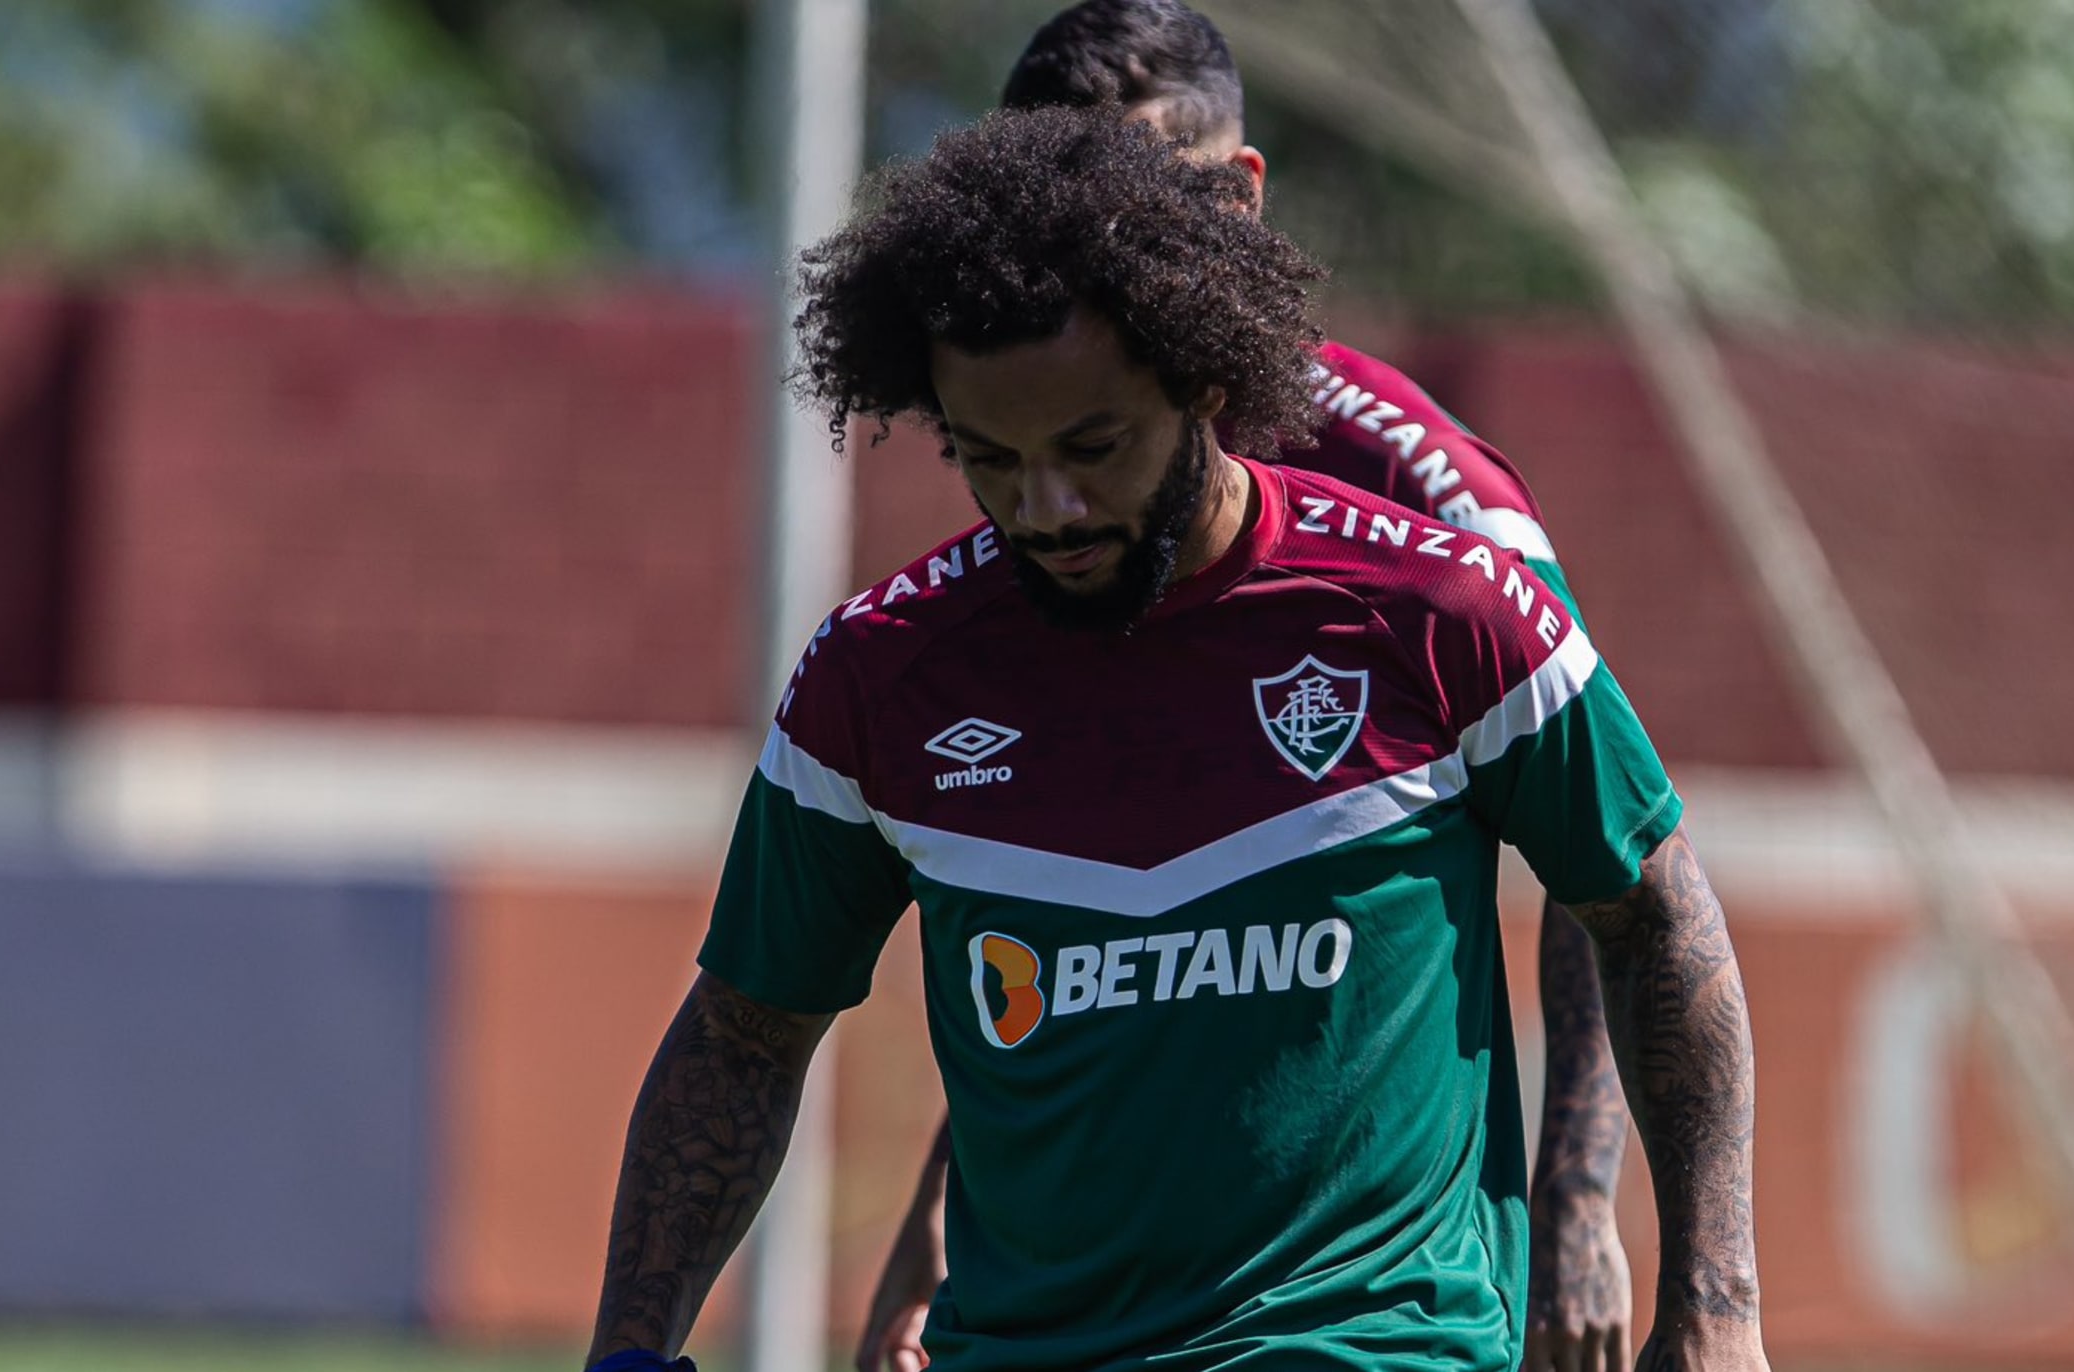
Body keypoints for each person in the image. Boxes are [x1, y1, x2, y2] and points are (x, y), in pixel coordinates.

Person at [584, 104, 1764, 1372]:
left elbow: (1649, 912)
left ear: (1207, 377)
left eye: (1093, 447)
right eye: (990, 459)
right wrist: (629, 1351)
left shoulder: (1442, 609)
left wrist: (1713, 1304)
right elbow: (742, 1034)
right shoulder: (876, 679)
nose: (1047, 506)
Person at [859, 6, 1637, 1371]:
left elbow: (1612, 872)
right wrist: (938, 1226)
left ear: (1238, 195)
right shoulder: (1040, 501)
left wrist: (1581, 1197)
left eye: (1137, 196)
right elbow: (1089, 910)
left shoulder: (1426, 495)